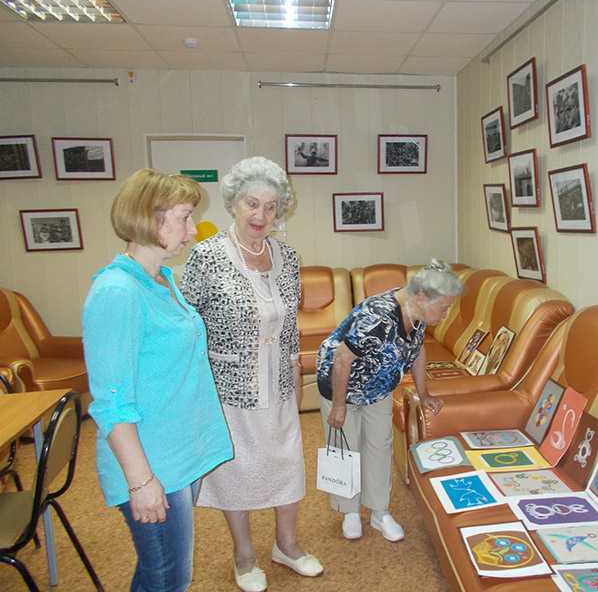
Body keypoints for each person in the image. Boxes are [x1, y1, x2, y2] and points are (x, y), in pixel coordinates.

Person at [82, 168, 233, 591]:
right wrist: (141, 481)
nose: (192, 230)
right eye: (185, 218)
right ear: (151, 218)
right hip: (152, 464)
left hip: (179, 452)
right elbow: (112, 402)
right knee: (168, 578)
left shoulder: (161, 279)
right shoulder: (118, 291)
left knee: (161, 573)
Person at [180, 156, 322, 592]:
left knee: (286, 464)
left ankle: (287, 545)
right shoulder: (207, 256)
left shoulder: (288, 257)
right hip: (229, 386)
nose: (261, 215)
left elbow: (290, 323)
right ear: (234, 204)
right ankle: (243, 555)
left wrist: (295, 371)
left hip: (279, 382)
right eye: (252, 204)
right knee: (236, 471)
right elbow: (187, 323)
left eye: (271, 206)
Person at [316, 259, 464, 541]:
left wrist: (424, 394)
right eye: (444, 308)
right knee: (346, 447)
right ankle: (349, 512)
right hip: (341, 384)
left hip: (378, 386)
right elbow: (342, 358)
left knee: (379, 445)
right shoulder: (378, 316)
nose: (446, 314)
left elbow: (417, 351)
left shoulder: (417, 311)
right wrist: (338, 405)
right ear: (422, 296)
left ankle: (379, 512)